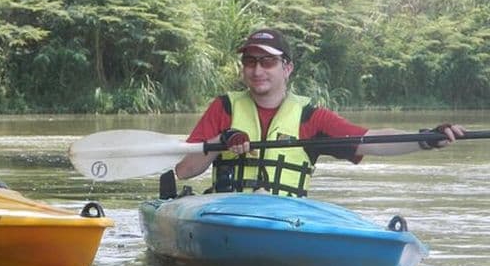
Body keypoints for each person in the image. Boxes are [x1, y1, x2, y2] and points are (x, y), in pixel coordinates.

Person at [173, 28, 465, 197]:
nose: (257, 70)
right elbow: (185, 171)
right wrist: (221, 139)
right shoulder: (223, 108)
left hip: (285, 219)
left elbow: (373, 140)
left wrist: (426, 139)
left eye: (267, 62)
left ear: (287, 68)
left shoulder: (312, 119)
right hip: (226, 214)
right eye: (250, 62)